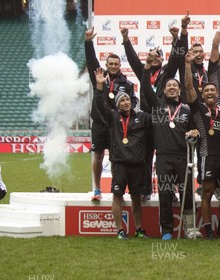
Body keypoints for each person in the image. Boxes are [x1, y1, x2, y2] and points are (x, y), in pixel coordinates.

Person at [121, 21, 181, 202]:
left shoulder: (167, 72)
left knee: (167, 157)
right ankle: (146, 189)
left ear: (162, 59)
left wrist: (175, 39)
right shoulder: (144, 71)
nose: (155, 59)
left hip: (164, 118)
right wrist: (126, 40)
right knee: (146, 156)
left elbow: (175, 59)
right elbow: (132, 60)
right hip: (147, 118)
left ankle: (170, 192)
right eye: (152, 56)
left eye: (158, 56)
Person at [142, 50, 199, 240]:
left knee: (187, 193)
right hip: (164, 157)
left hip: (183, 157)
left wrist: (194, 132)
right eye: (169, 86)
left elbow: (195, 130)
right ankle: (166, 230)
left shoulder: (186, 109)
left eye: (175, 85)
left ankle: (190, 229)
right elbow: (145, 87)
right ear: (164, 90)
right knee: (165, 194)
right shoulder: (157, 107)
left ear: (179, 90)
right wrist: (147, 67)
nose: (172, 88)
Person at [94, 68, 152, 240]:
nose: (126, 102)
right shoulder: (112, 117)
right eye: (122, 100)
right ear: (118, 105)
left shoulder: (142, 117)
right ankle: (119, 230)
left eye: (127, 99)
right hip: (119, 164)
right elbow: (100, 106)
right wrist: (99, 88)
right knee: (117, 196)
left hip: (137, 164)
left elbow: (158, 117)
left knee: (136, 198)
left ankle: (139, 229)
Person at [85, 26, 137, 202]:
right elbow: (91, 61)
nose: (113, 66)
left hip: (117, 124)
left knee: (116, 159)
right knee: (98, 156)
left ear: (120, 66)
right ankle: (97, 189)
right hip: (99, 123)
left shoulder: (127, 84)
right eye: (110, 64)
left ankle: (117, 189)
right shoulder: (99, 77)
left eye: (116, 64)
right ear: (106, 66)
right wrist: (88, 42)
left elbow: (133, 102)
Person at [184, 52, 220, 240]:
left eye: (213, 91)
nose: (210, 93)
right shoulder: (198, 109)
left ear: (217, 94)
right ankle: (208, 230)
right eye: (206, 91)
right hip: (206, 156)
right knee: (207, 193)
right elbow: (188, 86)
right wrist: (188, 65)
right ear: (202, 94)